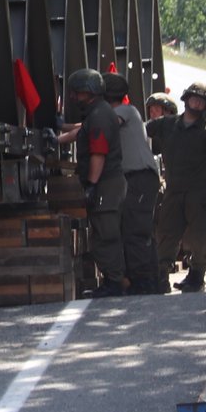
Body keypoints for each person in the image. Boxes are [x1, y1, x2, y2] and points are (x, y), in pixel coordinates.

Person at [57, 68, 127, 298]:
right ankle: (112, 280)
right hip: (107, 183)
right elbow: (81, 132)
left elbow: (98, 153)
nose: (74, 98)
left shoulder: (98, 116)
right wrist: (58, 134)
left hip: (105, 183)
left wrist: (92, 184)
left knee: (105, 234)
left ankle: (114, 282)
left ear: (89, 92)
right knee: (102, 232)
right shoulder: (98, 113)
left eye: (77, 93)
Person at [150, 82, 206, 292]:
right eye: (194, 98)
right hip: (174, 190)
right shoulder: (166, 124)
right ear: (185, 99)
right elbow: (141, 131)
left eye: (201, 100)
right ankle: (161, 277)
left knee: (200, 235)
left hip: (199, 192)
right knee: (166, 234)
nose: (197, 102)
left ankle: (196, 276)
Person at [103, 74, 162, 293]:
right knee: (134, 227)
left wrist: (62, 136)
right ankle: (147, 279)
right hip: (136, 178)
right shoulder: (123, 111)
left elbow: (97, 127)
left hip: (139, 177)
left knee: (136, 231)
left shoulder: (124, 111)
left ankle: (144, 282)